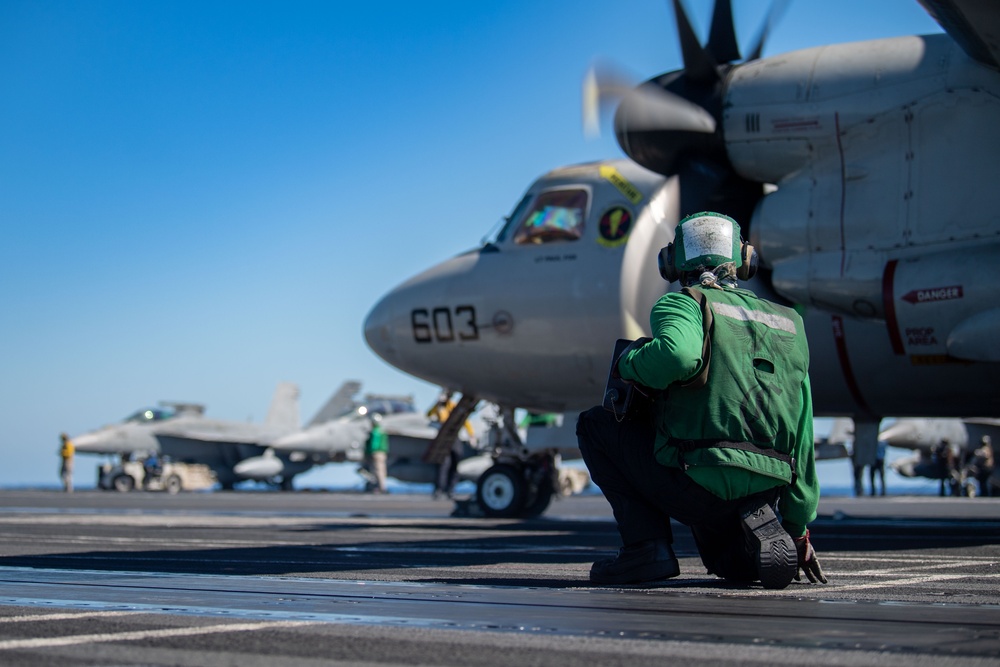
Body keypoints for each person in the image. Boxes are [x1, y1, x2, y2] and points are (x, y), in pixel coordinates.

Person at [577, 211, 826, 590]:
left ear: (671, 262)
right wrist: (797, 528)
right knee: (730, 566)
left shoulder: (685, 303)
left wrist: (630, 363)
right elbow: (803, 434)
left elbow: (678, 355)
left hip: (697, 478)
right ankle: (753, 536)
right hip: (766, 483)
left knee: (596, 425)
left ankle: (647, 550)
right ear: (745, 259)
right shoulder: (789, 322)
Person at [365, 413, 389, 493]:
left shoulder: (375, 432)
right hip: (382, 453)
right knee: (381, 470)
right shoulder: (382, 431)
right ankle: (381, 487)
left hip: (376, 453)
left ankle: (381, 488)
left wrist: (369, 452)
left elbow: (374, 444)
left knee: (377, 471)